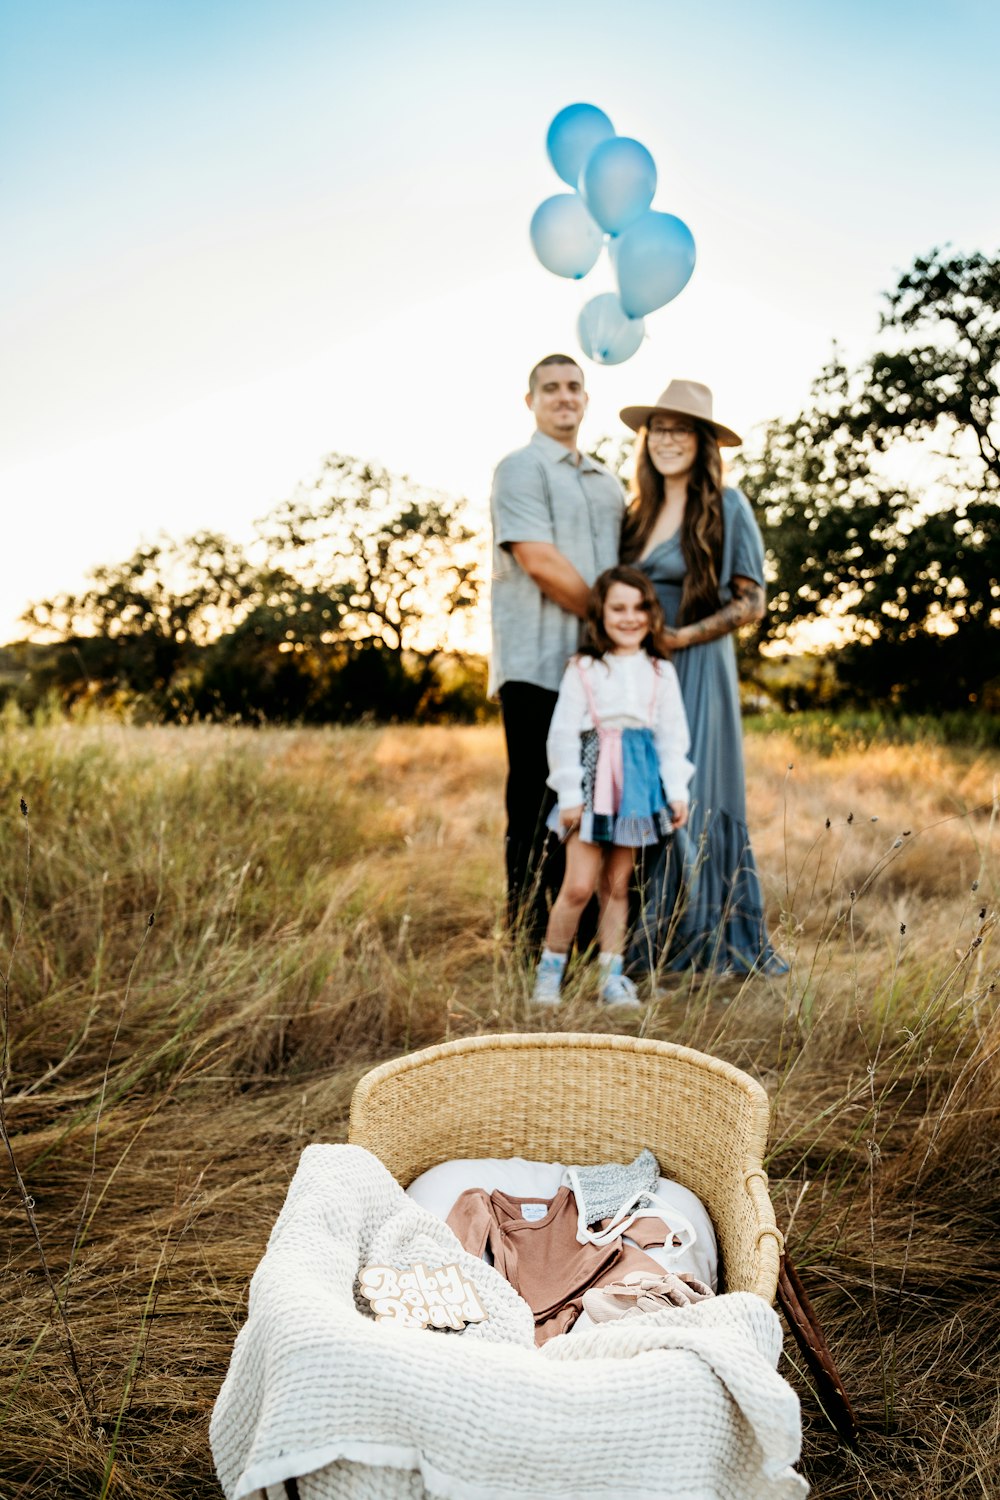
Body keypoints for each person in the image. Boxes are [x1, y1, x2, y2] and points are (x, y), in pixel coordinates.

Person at [617, 379, 787, 977]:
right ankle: (653, 940)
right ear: (647, 439)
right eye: (659, 428)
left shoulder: (727, 505)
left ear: (703, 442)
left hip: (696, 666)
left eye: (680, 429)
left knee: (697, 796)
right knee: (648, 798)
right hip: (641, 675)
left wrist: (682, 638)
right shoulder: (636, 514)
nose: (667, 439)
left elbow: (751, 602)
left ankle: (709, 942)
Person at [490, 354, 626, 943]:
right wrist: (611, 622)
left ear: (587, 398)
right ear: (531, 401)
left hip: (602, 675)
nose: (563, 396)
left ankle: (586, 940)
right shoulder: (519, 469)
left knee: (597, 805)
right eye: (550, 388)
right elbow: (538, 560)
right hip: (538, 666)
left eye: (574, 387)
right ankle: (527, 938)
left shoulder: (609, 482)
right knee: (534, 806)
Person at [532, 566, 693, 1007]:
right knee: (579, 885)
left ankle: (611, 977)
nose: (629, 617)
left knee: (617, 886)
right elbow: (562, 734)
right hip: (590, 785)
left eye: (640, 607)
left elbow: (672, 738)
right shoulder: (585, 668)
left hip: (638, 789)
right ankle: (549, 975)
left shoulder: (661, 672)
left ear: (652, 614)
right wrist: (568, 794)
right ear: (600, 614)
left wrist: (677, 790)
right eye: (618, 608)